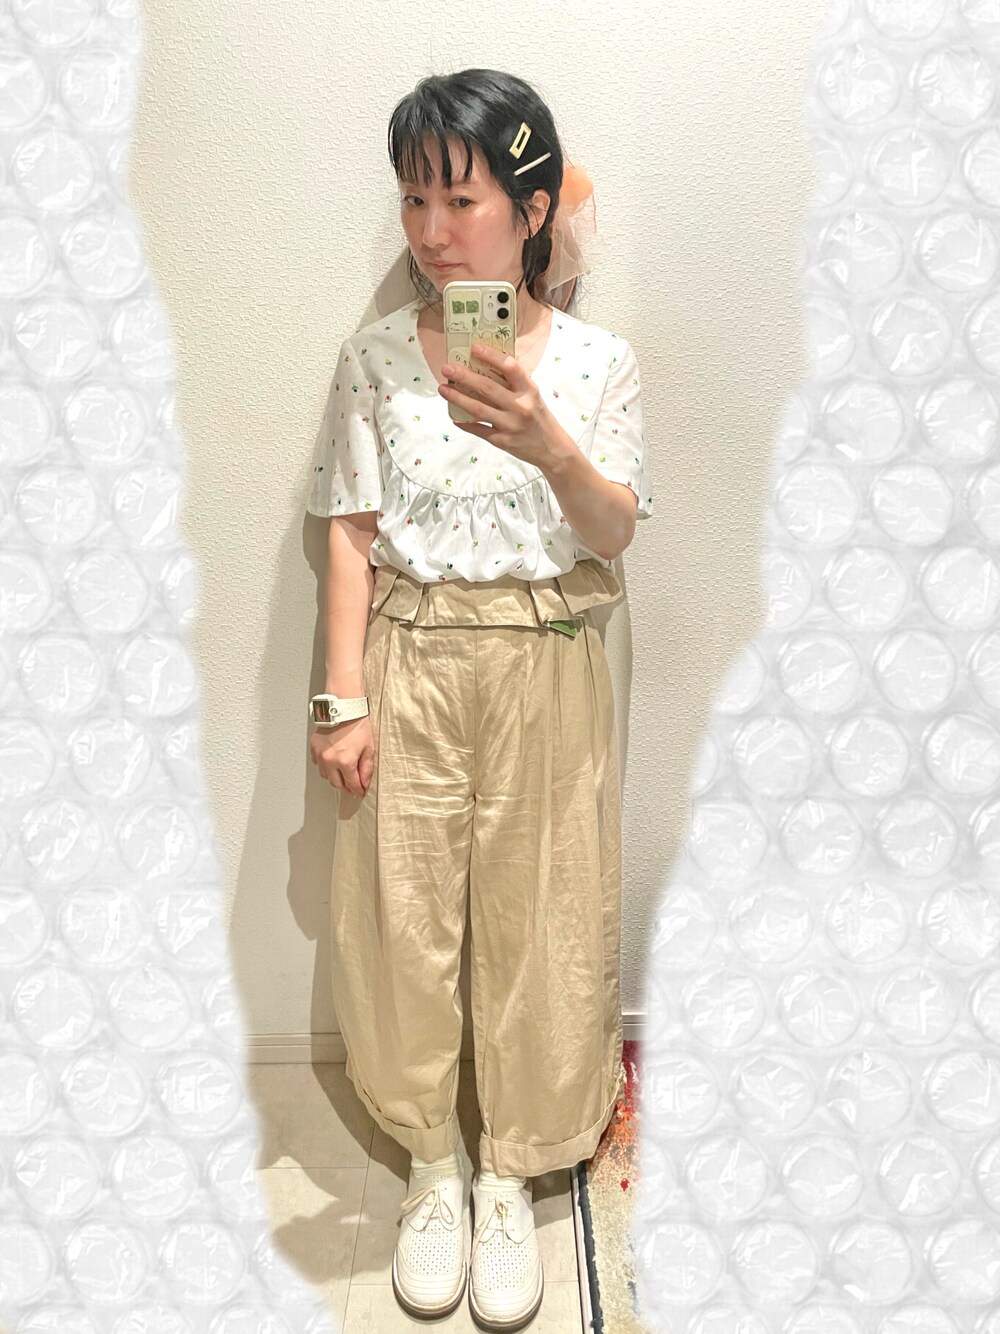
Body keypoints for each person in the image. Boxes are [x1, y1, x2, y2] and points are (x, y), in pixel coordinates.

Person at [305, 69, 653, 1332]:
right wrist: (339, 699)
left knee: (542, 910)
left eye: (461, 199)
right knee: (400, 911)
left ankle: (509, 1165)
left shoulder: (599, 364)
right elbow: (350, 531)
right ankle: (432, 1163)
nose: (432, 230)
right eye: (415, 199)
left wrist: (548, 440)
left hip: (543, 658)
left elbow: (615, 529)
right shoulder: (376, 359)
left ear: (532, 206)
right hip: (409, 655)